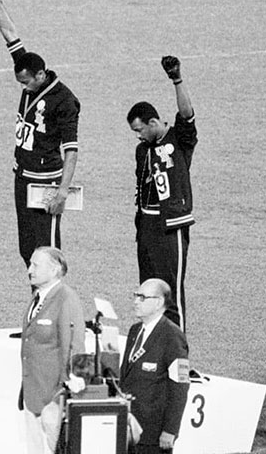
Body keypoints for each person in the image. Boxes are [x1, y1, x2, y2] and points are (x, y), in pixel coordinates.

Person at [0, 0, 81, 268]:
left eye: (26, 83)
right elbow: (9, 32)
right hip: (22, 178)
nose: (23, 88)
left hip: (45, 183)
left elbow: (72, 150)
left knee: (47, 254)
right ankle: (39, 306)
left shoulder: (64, 101)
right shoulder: (28, 70)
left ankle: (55, 310)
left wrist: (62, 191)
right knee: (28, 251)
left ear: (40, 75)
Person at [126, 56, 198, 331]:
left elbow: (187, 114)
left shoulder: (179, 140)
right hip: (146, 226)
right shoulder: (142, 150)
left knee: (171, 292)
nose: (138, 136)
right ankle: (154, 348)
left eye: (139, 129)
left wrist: (176, 79)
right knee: (149, 290)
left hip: (170, 226)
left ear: (153, 121)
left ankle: (178, 356)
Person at [20, 246, 85, 454]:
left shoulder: (66, 298)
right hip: (32, 394)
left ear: (55, 269)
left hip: (55, 397)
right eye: (30, 264)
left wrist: (75, 383)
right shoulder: (37, 298)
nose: (30, 270)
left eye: (35, 265)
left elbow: (76, 343)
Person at [120, 278, 190, 454]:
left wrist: (170, 430)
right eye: (136, 295)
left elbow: (179, 387)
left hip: (154, 433)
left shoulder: (172, 336)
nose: (136, 301)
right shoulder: (135, 331)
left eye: (142, 297)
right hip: (129, 427)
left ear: (158, 302)